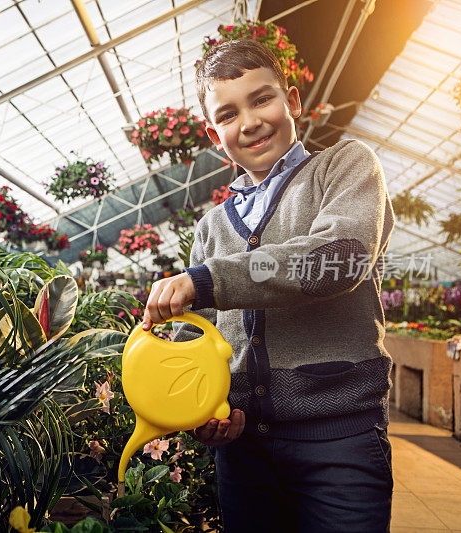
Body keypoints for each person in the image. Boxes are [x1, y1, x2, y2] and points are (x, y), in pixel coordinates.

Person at [141, 39, 396, 532]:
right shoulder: (211, 229)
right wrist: (208, 410)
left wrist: (210, 279)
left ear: (293, 101)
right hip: (244, 455)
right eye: (229, 114)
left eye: (262, 99)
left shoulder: (344, 167)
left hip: (338, 445)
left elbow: (339, 259)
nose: (250, 122)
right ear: (216, 135)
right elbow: (201, 338)